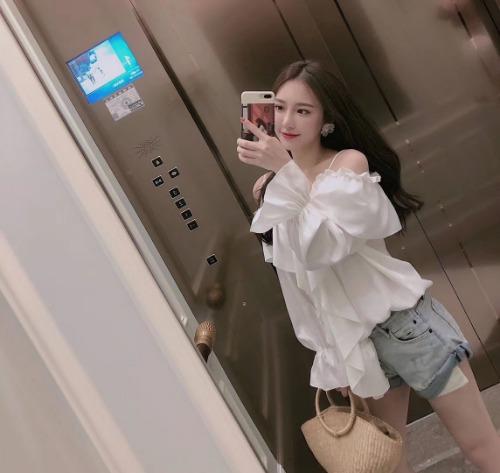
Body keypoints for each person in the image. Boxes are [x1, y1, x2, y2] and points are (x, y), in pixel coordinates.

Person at [236, 60, 500, 473]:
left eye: (303, 110)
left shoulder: (347, 165)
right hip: (358, 345)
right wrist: (333, 354)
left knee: (481, 448)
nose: (287, 121)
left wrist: (285, 172)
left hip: (410, 328)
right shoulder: (267, 187)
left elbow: (323, 246)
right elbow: (299, 282)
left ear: (326, 120)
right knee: (383, 465)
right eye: (280, 107)